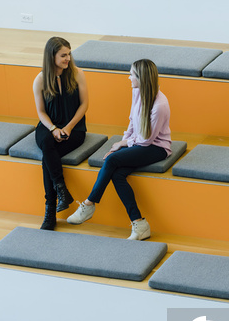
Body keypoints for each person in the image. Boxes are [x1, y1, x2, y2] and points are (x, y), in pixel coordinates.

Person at [67, 58, 171, 240]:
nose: (128, 78)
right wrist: (123, 142)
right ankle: (139, 224)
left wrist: (123, 145)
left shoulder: (160, 105)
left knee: (111, 160)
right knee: (117, 173)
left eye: (131, 74)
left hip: (156, 147)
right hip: (138, 143)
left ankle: (89, 203)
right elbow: (132, 122)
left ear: (141, 77)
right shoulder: (137, 91)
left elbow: (147, 140)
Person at [33, 36, 88, 230]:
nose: (68, 59)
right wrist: (54, 129)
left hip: (74, 128)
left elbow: (84, 105)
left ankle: (50, 209)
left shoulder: (77, 74)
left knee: (47, 158)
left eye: (69, 54)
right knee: (48, 145)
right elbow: (40, 112)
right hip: (48, 126)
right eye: (63, 55)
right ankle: (61, 191)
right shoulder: (40, 79)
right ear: (51, 56)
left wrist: (69, 127)